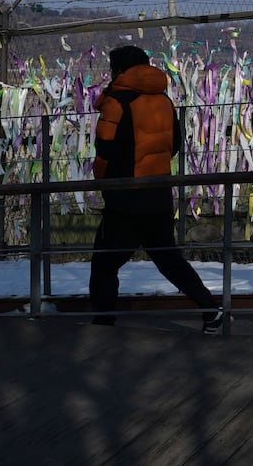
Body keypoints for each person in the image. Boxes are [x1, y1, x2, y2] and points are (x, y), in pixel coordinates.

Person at [89, 45, 225, 334]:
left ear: (119, 69)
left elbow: (106, 147)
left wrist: (105, 174)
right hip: (159, 195)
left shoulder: (117, 102)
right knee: (169, 260)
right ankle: (211, 311)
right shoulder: (164, 100)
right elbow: (174, 145)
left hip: (125, 199)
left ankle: (102, 325)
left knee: (104, 263)